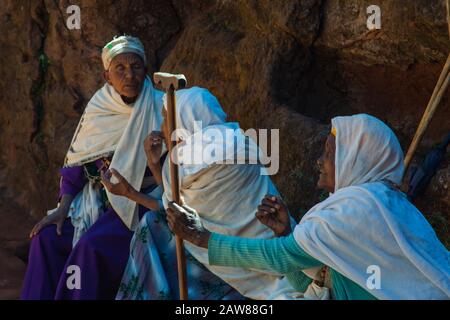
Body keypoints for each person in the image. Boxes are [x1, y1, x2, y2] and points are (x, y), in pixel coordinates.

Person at [168, 114, 450, 300]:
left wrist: (202, 238)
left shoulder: (358, 208)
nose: (319, 161)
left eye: (329, 153)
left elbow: (279, 258)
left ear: (354, 160)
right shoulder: (377, 203)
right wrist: (285, 233)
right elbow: (321, 284)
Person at [104, 87, 301, 299]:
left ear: (181, 123)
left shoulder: (182, 163)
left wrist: (131, 191)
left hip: (239, 261)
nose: (161, 128)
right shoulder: (240, 140)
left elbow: (172, 211)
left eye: (165, 119)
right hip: (288, 252)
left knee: (152, 227)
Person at [21, 35, 165, 300]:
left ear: (146, 70)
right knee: (47, 239)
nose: (129, 75)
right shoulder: (99, 107)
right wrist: (63, 208)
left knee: (90, 247)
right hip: (95, 203)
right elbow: (76, 166)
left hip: (138, 205)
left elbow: (173, 176)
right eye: (119, 69)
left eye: (135, 67)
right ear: (106, 76)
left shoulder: (161, 107)